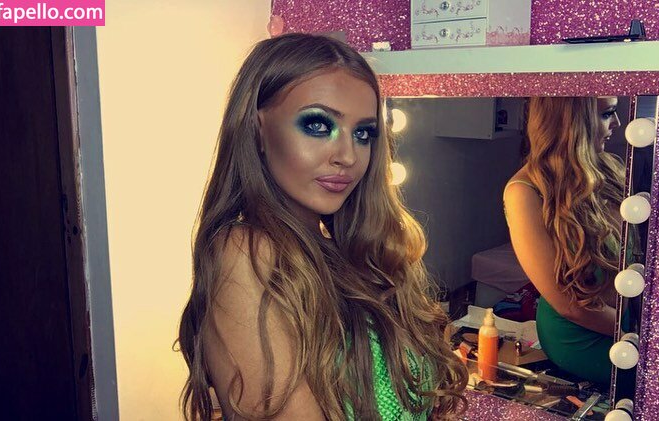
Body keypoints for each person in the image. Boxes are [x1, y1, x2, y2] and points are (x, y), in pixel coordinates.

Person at [177, 33, 467, 421]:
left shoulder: (349, 250)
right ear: (257, 129)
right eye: (317, 125)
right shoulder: (245, 251)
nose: (348, 156)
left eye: (363, 133)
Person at [503, 96, 624, 385]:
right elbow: (569, 306)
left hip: (625, 322)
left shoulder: (609, 169)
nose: (617, 123)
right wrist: (643, 336)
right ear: (573, 121)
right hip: (579, 336)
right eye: (607, 114)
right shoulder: (524, 192)